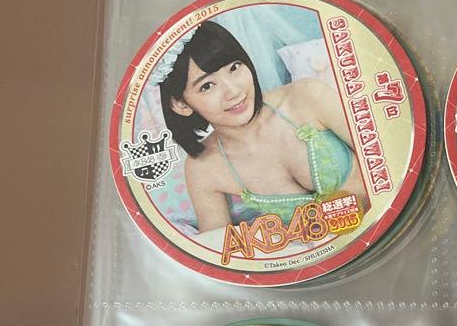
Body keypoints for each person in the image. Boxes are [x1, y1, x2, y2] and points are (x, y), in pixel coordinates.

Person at [156, 20, 366, 233]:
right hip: (324, 253)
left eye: (234, 68)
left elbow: (381, 152)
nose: (234, 92)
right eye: (207, 86)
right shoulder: (203, 167)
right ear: (181, 104)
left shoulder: (307, 96)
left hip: (380, 227)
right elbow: (216, 245)